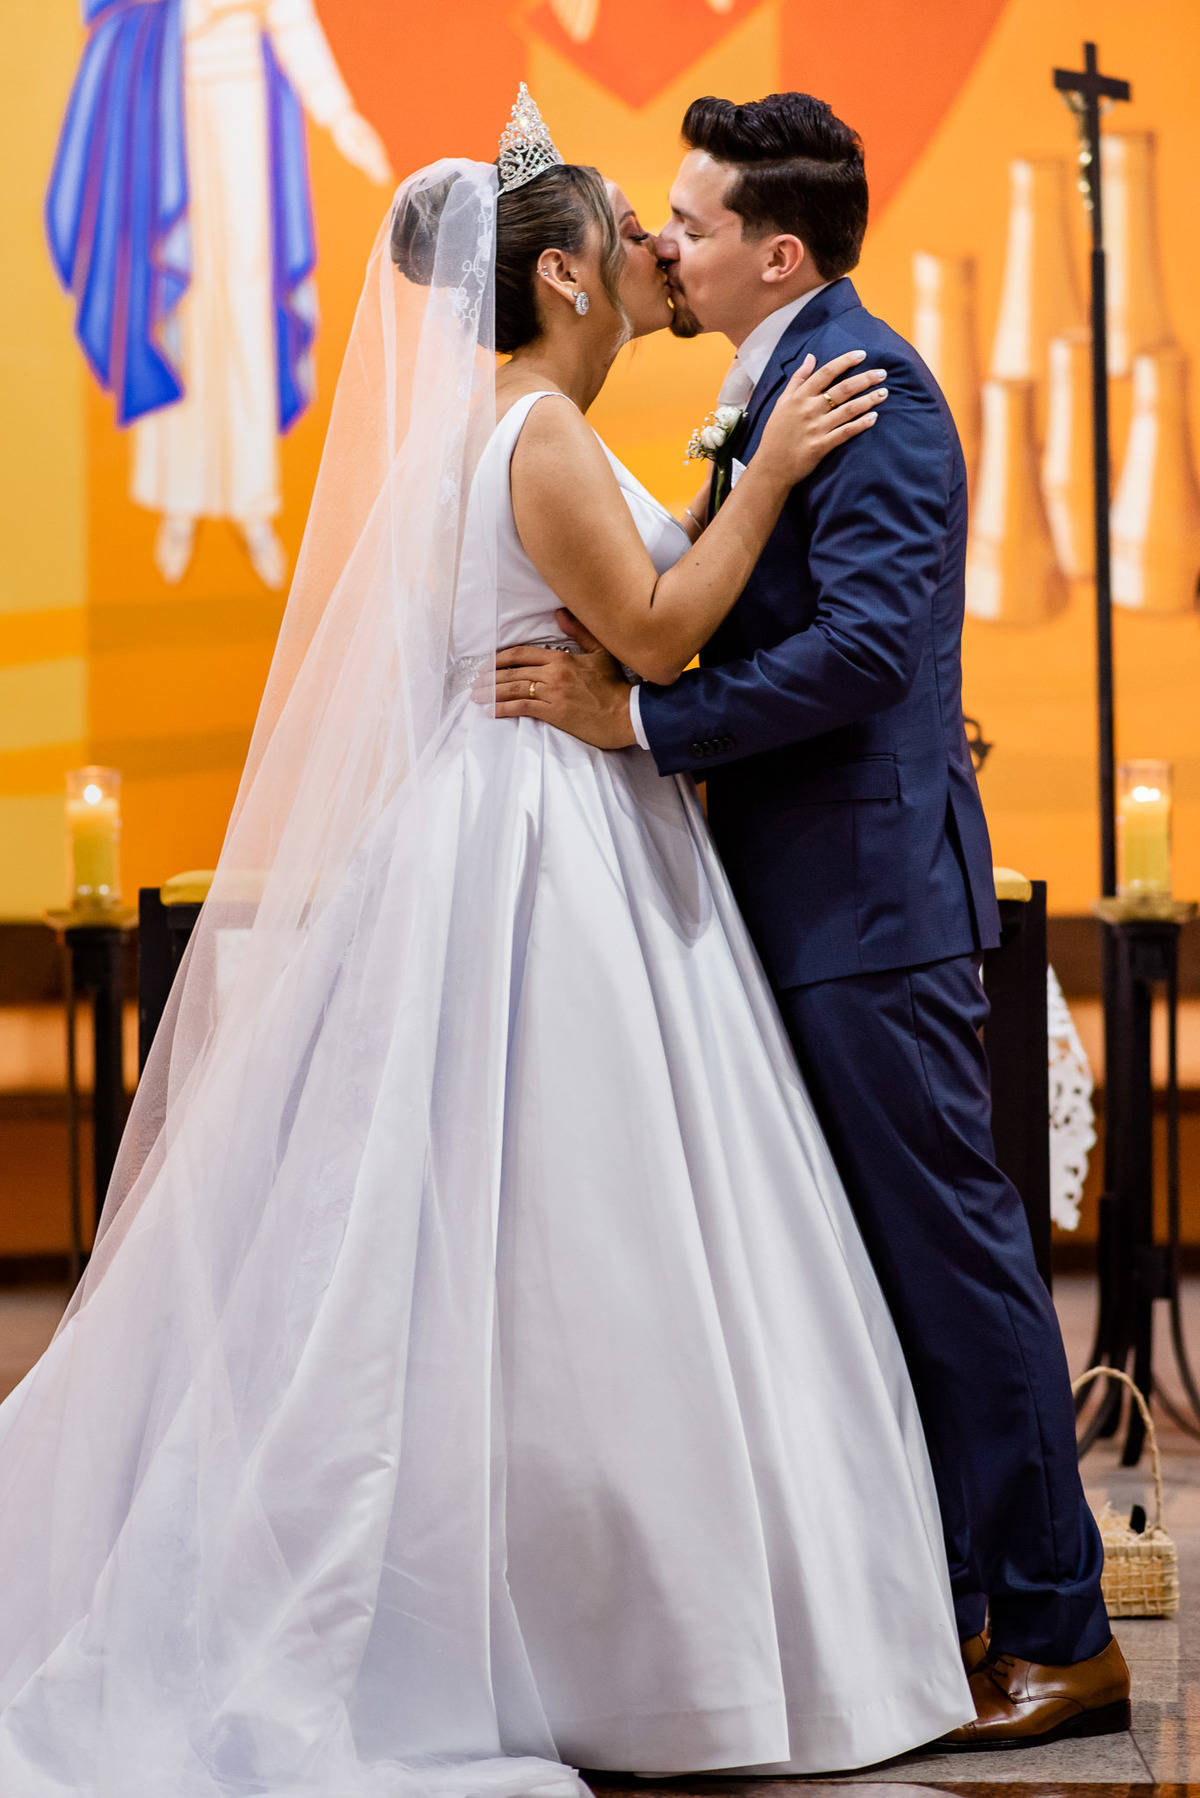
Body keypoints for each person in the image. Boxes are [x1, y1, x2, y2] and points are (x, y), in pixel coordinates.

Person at [0, 96, 972, 1796]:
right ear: (572, 274)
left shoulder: (517, 428)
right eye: (638, 235)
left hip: (553, 818)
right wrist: (775, 485)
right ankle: (613, 1631)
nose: (663, 257)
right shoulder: (532, 435)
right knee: (579, 1221)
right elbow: (660, 632)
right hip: (550, 833)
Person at [488, 91, 1131, 1751]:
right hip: (796, 898)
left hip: (868, 903)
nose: (661, 245)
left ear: (777, 253)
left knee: (961, 1263)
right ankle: (967, 1607)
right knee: (884, 1277)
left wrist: (642, 725)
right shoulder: (767, 388)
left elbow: (861, 654)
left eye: (689, 226)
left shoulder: (877, 396)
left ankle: (1066, 1632)